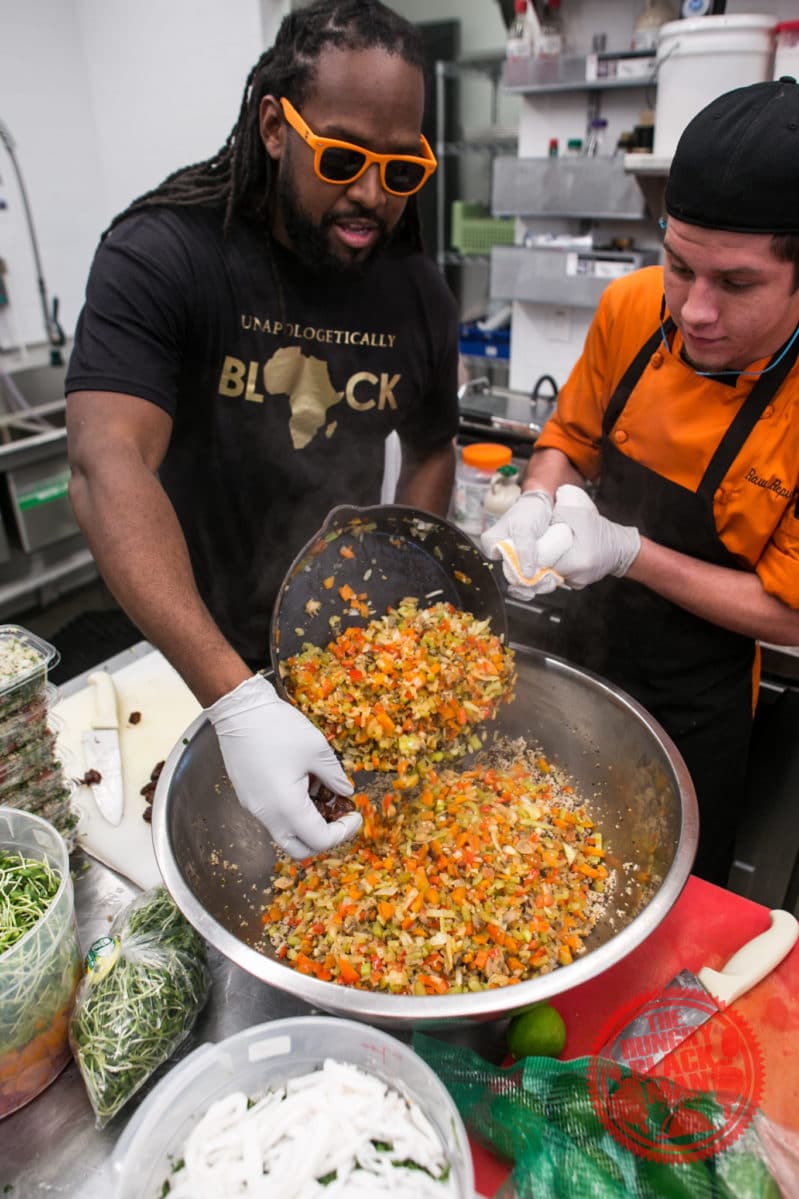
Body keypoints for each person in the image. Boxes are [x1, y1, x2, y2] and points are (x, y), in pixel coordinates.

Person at [65, 0, 459, 859]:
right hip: (184, 653)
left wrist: (404, 580)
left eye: (401, 170)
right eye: (345, 156)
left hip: (338, 654)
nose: (369, 194)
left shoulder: (418, 290)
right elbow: (105, 462)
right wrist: (237, 700)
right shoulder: (166, 252)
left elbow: (432, 447)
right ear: (276, 128)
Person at [483, 78, 799, 888]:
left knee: (664, 901)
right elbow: (569, 436)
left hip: (697, 709)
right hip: (572, 665)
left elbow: (790, 614)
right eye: (678, 265)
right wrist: (534, 496)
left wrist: (628, 551)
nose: (694, 310)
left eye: (734, 284)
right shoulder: (629, 310)